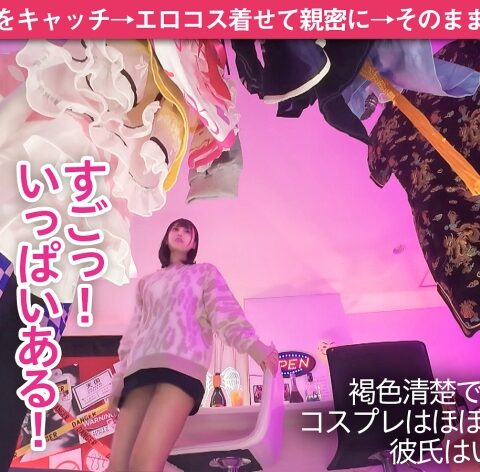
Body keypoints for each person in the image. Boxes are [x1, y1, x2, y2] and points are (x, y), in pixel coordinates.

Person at [106, 218, 279, 472]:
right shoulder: (146, 283)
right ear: (166, 237)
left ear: (194, 244)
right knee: (117, 467)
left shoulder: (204, 272)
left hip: (182, 367)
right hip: (138, 370)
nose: (180, 232)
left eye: (187, 231)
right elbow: (134, 335)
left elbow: (225, 314)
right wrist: (118, 384)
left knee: (144, 465)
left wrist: (255, 348)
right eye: (175, 228)